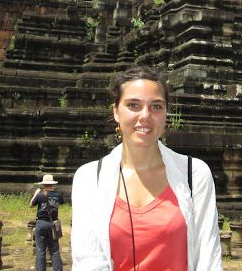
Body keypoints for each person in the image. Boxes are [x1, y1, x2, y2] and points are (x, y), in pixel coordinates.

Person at [71, 66, 222, 270]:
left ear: (166, 113)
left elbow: (208, 259)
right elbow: (88, 262)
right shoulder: (89, 178)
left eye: (156, 106)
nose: (145, 116)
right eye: (133, 105)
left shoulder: (194, 174)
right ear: (116, 111)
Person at [31, 174, 64, 271]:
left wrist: (36, 194)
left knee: (40, 250)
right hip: (53, 224)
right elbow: (60, 203)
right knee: (54, 250)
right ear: (52, 184)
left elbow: (31, 205)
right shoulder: (58, 194)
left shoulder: (40, 194)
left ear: (44, 184)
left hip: (41, 223)